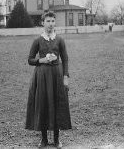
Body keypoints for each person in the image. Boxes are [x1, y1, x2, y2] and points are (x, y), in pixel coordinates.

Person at [25, 11, 72, 148]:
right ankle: (44, 139)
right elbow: (30, 60)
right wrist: (42, 60)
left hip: (57, 76)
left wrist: (65, 76)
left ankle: (57, 140)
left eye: (52, 21)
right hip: (42, 77)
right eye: (48, 21)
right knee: (43, 104)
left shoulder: (59, 40)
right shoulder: (37, 40)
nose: (50, 24)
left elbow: (66, 59)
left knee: (57, 104)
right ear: (43, 23)